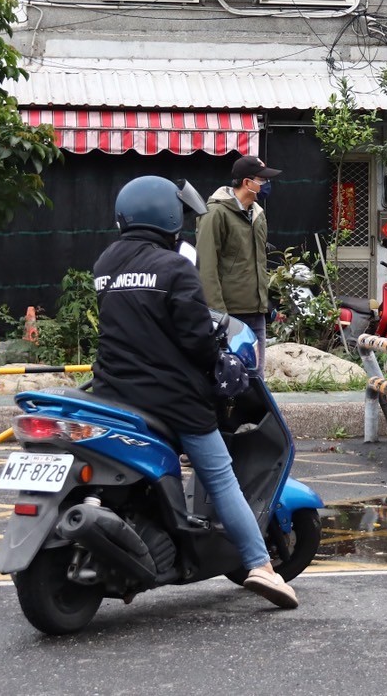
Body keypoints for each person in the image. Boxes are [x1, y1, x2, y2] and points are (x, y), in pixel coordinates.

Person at [90, 175, 298, 608]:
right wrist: (219, 363)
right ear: (167, 217)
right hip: (171, 399)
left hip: (111, 392)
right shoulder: (174, 268)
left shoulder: (105, 265)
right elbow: (198, 339)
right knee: (220, 476)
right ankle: (261, 566)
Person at [197, 155, 279, 368]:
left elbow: (258, 261)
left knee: (256, 375)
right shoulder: (215, 213)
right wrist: (217, 313)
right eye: (262, 180)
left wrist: (265, 302)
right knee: (230, 375)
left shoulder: (258, 214)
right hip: (230, 313)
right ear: (247, 182)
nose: (266, 184)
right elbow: (206, 266)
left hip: (256, 312)